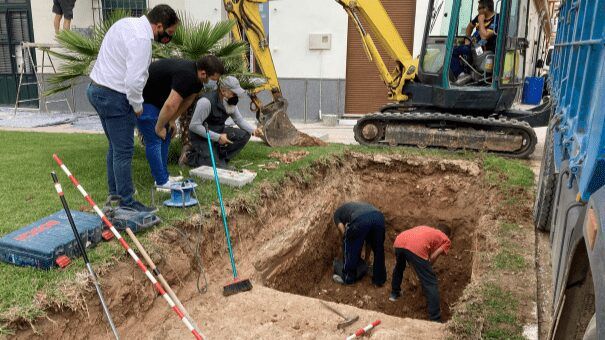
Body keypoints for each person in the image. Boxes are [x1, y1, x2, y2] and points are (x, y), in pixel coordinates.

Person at [87, 4, 179, 212]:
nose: (169, 37)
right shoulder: (141, 39)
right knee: (124, 151)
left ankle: (115, 195)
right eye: (170, 32)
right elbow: (134, 81)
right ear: (159, 26)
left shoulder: (127, 24)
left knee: (115, 147)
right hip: (114, 95)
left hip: (97, 89)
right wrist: (138, 106)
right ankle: (127, 203)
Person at [139, 55, 225, 190]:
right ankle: (161, 182)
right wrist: (159, 126)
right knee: (155, 138)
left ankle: (163, 176)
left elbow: (188, 100)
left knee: (166, 134)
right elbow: (170, 105)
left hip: (159, 100)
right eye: (213, 79)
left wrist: (172, 120)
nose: (214, 83)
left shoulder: (198, 80)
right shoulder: (187, 76)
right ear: (203, 73)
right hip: (145, 99)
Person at [186, 76, 263, 169]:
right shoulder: (206, 102)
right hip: (201, 137)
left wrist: (253, 130)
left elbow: (239, 120)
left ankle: (220, 159)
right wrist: (218, 137)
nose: (236, 97)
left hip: (218, 132)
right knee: (216, 166)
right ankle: (189, 157)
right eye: (234, 93)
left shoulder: (229, 102)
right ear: (223, 91)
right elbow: (194, 126)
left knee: (244, 135)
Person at [389, 224, 452, 322]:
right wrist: (426, 271)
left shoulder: (426, 230)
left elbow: (414, 254)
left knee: (399, 267)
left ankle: (394, 294)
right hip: (415, 247)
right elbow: (433, 257)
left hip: (399, 241)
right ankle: (435, 318)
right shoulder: (445, 239)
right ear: (446, 234)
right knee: (431, 282)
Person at [332, 202, 387, 286]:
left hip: (361, 219)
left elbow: (344, 235)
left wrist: (347, 244)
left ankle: (348, 278)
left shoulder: (336, 215)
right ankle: (379, 280)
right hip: (378, 217)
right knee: (378, 248)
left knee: (350, 246)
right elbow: (369, 241)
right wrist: (366, 260)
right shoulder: (354, 207)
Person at [451, 0, 499, 85]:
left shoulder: (496, 19)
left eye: (479, 8)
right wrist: (467, 40)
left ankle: (461, 75)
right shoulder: (478, 16)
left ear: (486, 9)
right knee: (453, 50)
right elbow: (469, 27)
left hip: (484, 50)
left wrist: (481, 21)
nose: (478, 10)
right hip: (473, 46)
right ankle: (463, 75)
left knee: (453, 52)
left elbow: (484, 36)